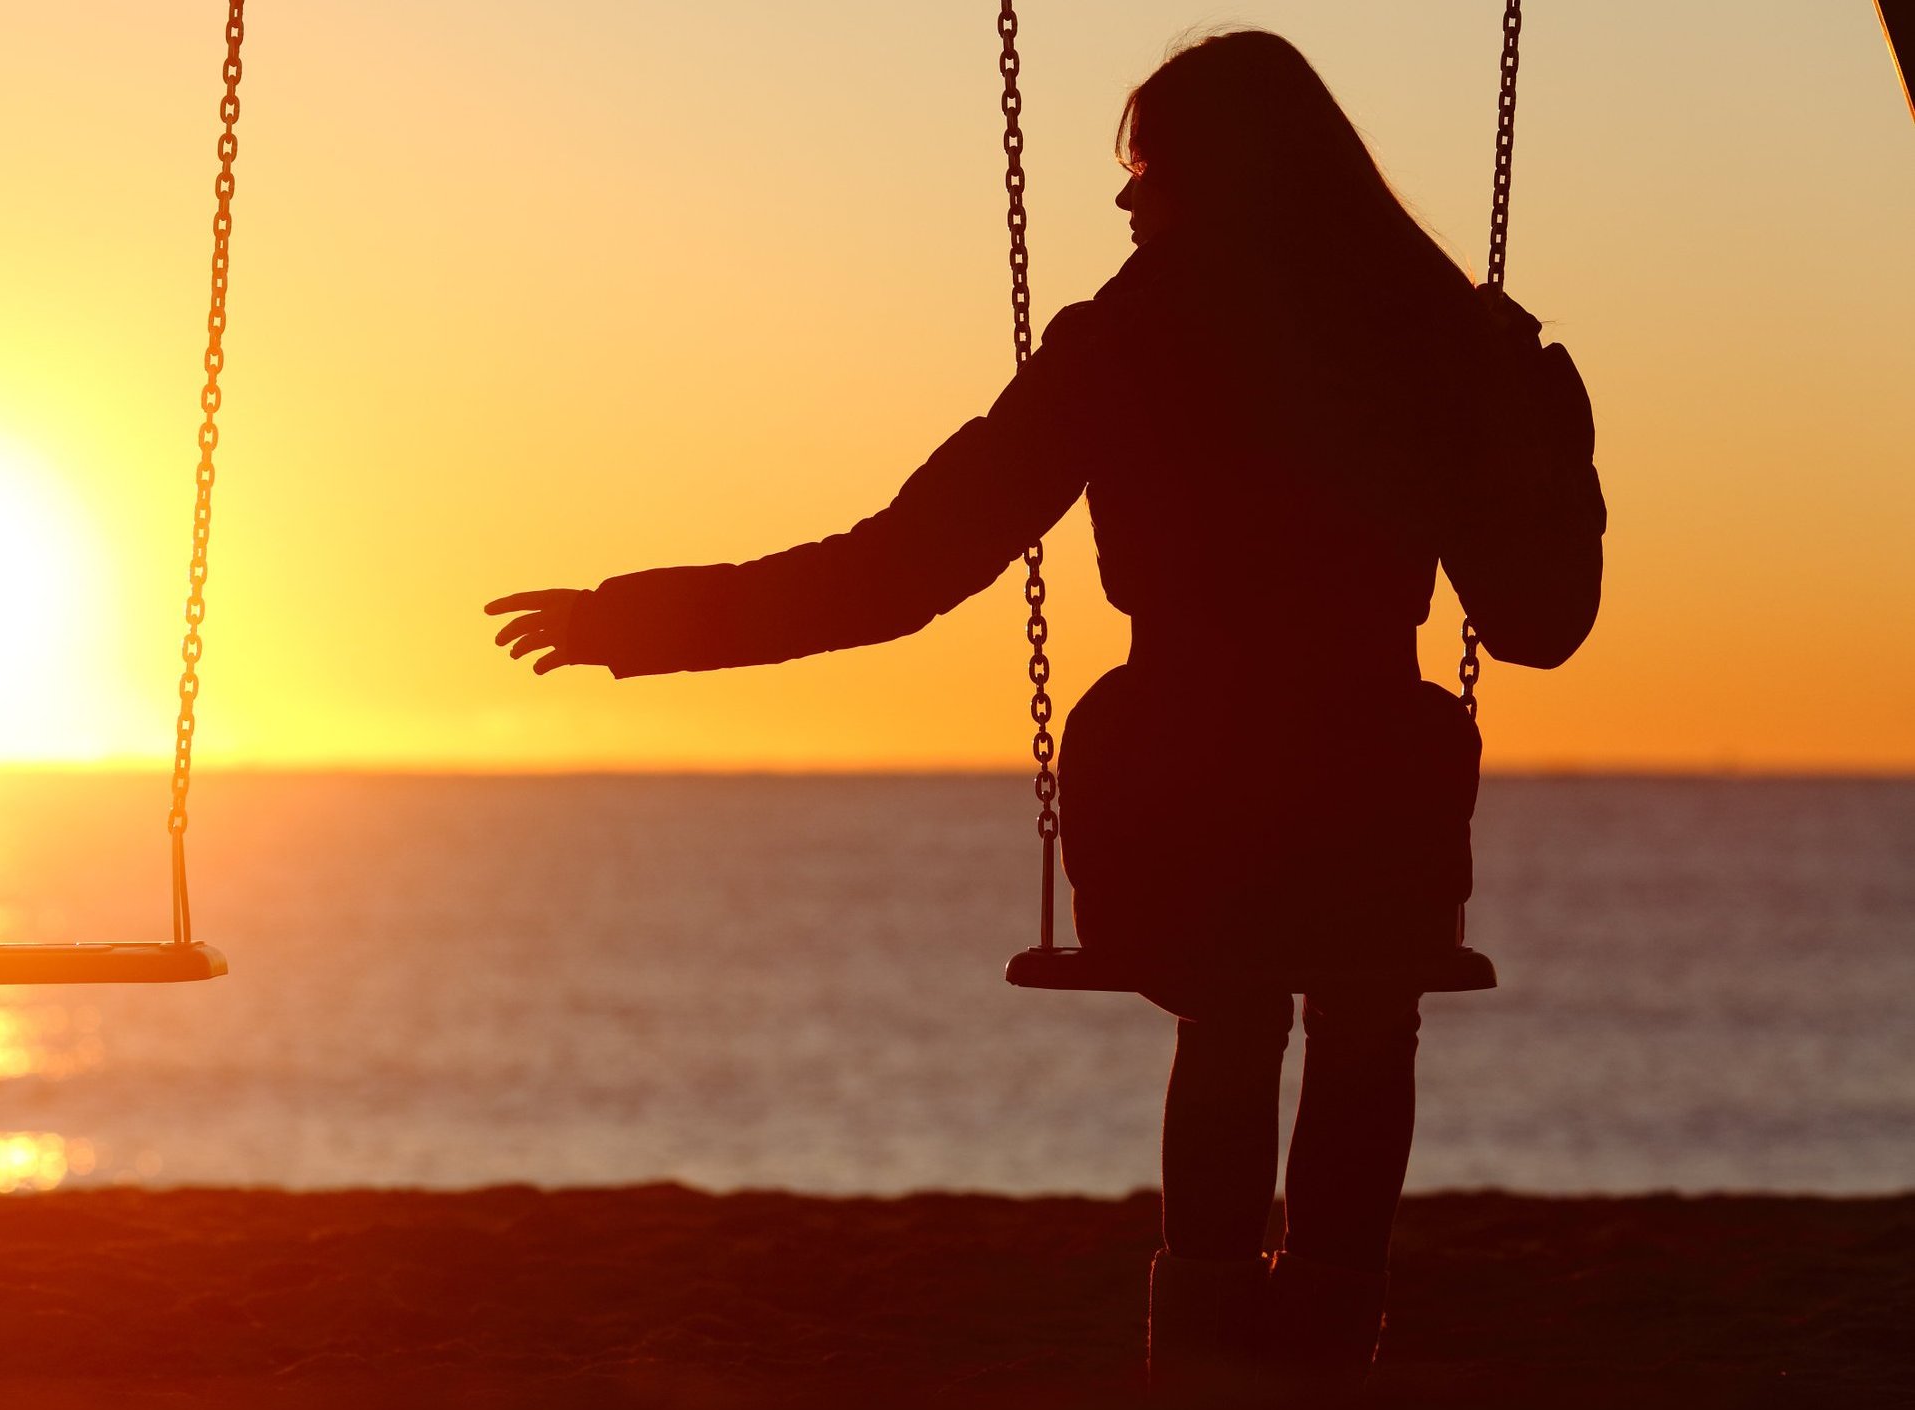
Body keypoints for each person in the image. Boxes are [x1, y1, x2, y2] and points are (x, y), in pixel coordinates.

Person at [487, 28, 1597, 1406]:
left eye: (1146, 172)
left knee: (1237, 994)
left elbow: (898, 569)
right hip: (1374, 800)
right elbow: (1542, 622)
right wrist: (1544, 426)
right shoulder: (1436, 341)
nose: (1125, 205)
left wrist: (639, 621)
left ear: (1216, 179)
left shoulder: (1122, 346)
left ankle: (1203, 1356)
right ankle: (1322, 1343)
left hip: (1185, 797)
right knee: (1365, 1002)